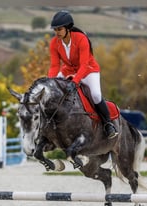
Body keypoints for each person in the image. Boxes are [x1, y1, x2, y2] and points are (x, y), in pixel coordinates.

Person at [48, 10, 118, 139]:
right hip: (68, 70)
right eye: (55, 30)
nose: (56, 32)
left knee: (96, 95)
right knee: (52, 90)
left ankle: (108, 124)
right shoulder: (54, 43)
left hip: (88, 70)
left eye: (59, 29)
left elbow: (84, 65)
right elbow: (54, 66)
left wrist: (75, 82)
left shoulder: (81, 39)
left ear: (68, 28)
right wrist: (50, 83)